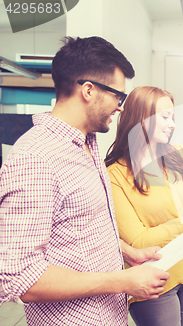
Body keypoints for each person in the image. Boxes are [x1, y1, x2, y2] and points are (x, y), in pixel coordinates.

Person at [0, 37, 170, 326]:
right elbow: (21, 277)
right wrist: (123, 281)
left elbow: (81, 228)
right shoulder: (36, 157)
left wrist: (129, 253)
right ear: (89, 90)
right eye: (119, 96)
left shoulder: (87, 144)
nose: (120, 107)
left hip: (109, 316)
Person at [105, 86, 183, 326]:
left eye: (173, 117)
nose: (172, 124)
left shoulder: (179, 154)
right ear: (141, 119)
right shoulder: (116, 174)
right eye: (165, 117)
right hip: (154, 276)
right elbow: (139, 241)